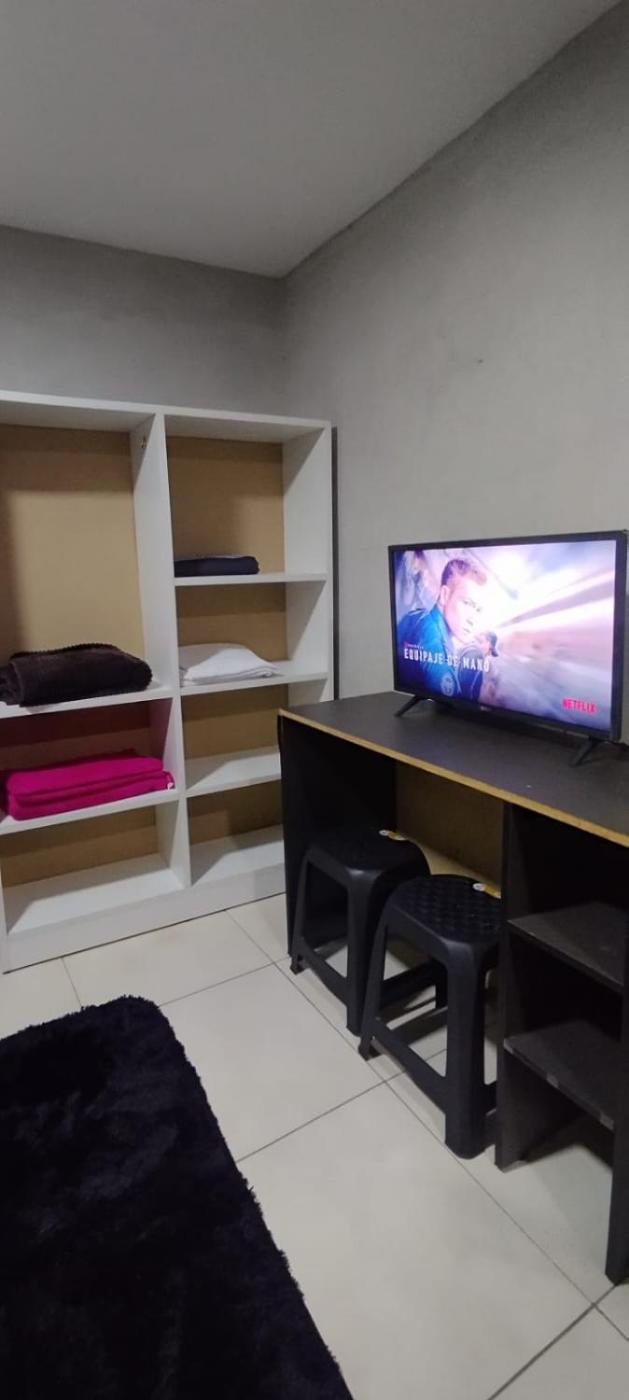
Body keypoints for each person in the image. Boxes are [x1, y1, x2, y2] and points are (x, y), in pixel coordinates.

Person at [398, 557, 490, 700]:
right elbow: (450, 701)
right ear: (445, 595)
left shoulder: (418, 616)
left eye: (478, 609)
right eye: (467, 603)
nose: (473, 619)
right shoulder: (434, 639)